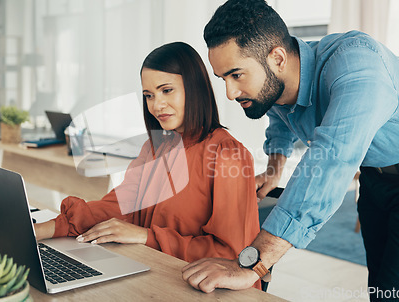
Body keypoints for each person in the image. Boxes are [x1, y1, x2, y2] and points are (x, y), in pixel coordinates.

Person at [181, 0, 399, 301]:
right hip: (375, 181)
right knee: (380, 286)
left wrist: (253, 264)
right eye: (223, 78)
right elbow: (278, 114)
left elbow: (330, 160)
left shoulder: (358, 69)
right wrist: (274, 169)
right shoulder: (282, 80)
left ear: (277, 58)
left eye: (237, 75)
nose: (230, 92)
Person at [33, 41, 262, 289]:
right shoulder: (155, 148)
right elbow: (118, 206)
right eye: (149, 95)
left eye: (166, 91)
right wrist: (36, 231)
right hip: (157, 277)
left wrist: (145, 236)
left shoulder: (228, 154)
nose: (156, 105)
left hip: (207, 290)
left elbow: (229, 254)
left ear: (194, 88)